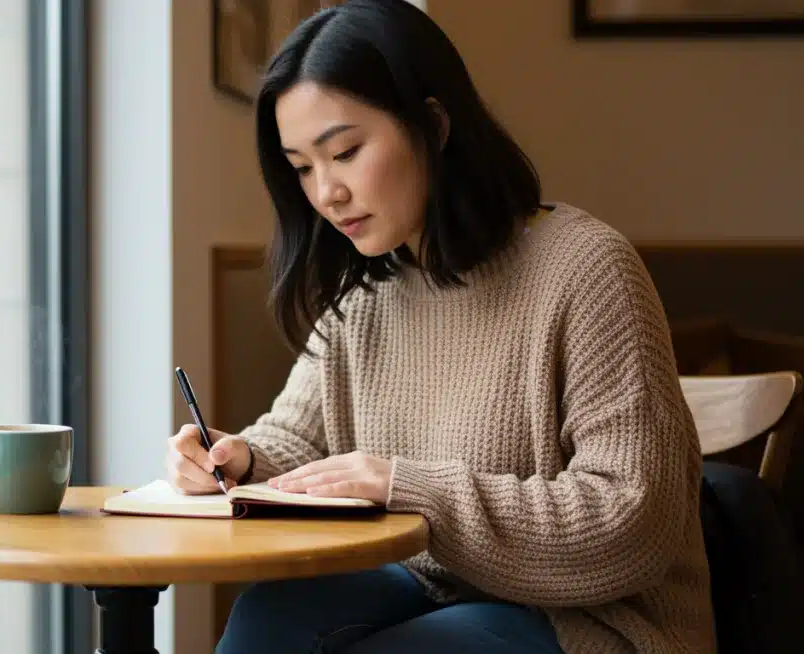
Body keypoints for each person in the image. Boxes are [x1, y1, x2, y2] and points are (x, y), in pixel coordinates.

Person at [164, 1, 715, 652]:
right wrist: (240, 460)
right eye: (302, 167)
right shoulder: (367, 290)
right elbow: (299, 438)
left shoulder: (585, 268)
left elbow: (632, 520)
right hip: (434, 587)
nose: (325, 193)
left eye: (344, 151)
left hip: (595, 622)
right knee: (267, 622)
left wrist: (410, 489)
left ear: (433, 123)